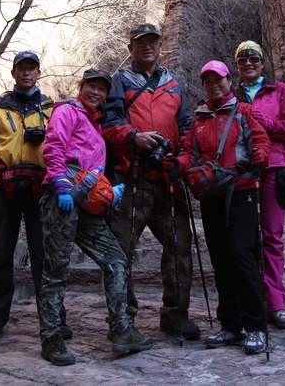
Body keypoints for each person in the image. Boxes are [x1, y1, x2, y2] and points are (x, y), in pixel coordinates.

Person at [37, 68, 154, 366]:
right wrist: (61, 184)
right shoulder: (68, 111)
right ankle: (51, 339)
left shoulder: (94, 122)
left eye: (102, 89)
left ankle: (122, 330)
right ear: (82, 86)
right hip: (63, 195)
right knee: (56, 268)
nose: (96, 93)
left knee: (115, 258)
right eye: (92, 86)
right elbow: (53, 147)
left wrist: (109, 193)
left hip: (87, 198)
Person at [101, 23, 198, 341]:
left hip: (167, 179)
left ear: (160, 45)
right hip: (132, 179)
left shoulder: (173, 83)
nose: (147, 47)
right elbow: (110, 122)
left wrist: (181, 157)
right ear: (131, 47)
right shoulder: (120, 82)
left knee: (180, 246)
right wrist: (134, 138)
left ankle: (175, 314)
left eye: (153, 42)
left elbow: (186, 125)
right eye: (141, 43)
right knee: (120, 250)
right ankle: (123, 318)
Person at [174, 60, 271, 355]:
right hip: (212, 195)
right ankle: (231, 325)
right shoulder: (199, 118)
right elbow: (188, 153)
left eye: (218, 80)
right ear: (203, 85)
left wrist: (259, 156)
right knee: (220, 260)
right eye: (208, 81)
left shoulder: (244, 111)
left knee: (243, 256)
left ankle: (256, 326)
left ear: (229, 80)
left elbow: (261, 140)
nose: (214, 85)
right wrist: (176, 167)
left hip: (241, 192)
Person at [0, 50, 64, 343]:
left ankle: (53, 319)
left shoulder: (51, 108)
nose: (26, 73)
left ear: (39, 73)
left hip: (41, 187)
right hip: (5, 185)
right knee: (1, 254)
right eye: (21, 68)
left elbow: (63, 144)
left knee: (43, 255)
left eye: (31, 68)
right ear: (13, 73)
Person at [233, 40, 285, 330]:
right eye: (243, 60)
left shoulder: (278, 91)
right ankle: (251, 301)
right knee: (245, 238)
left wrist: (266, 125)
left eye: (253, 59)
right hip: (244, 169)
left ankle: (277, 303)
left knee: (272, 236)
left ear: (262, 63)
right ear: (237, 66)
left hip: (275, 166)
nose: (248, 63)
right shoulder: (232, 94)